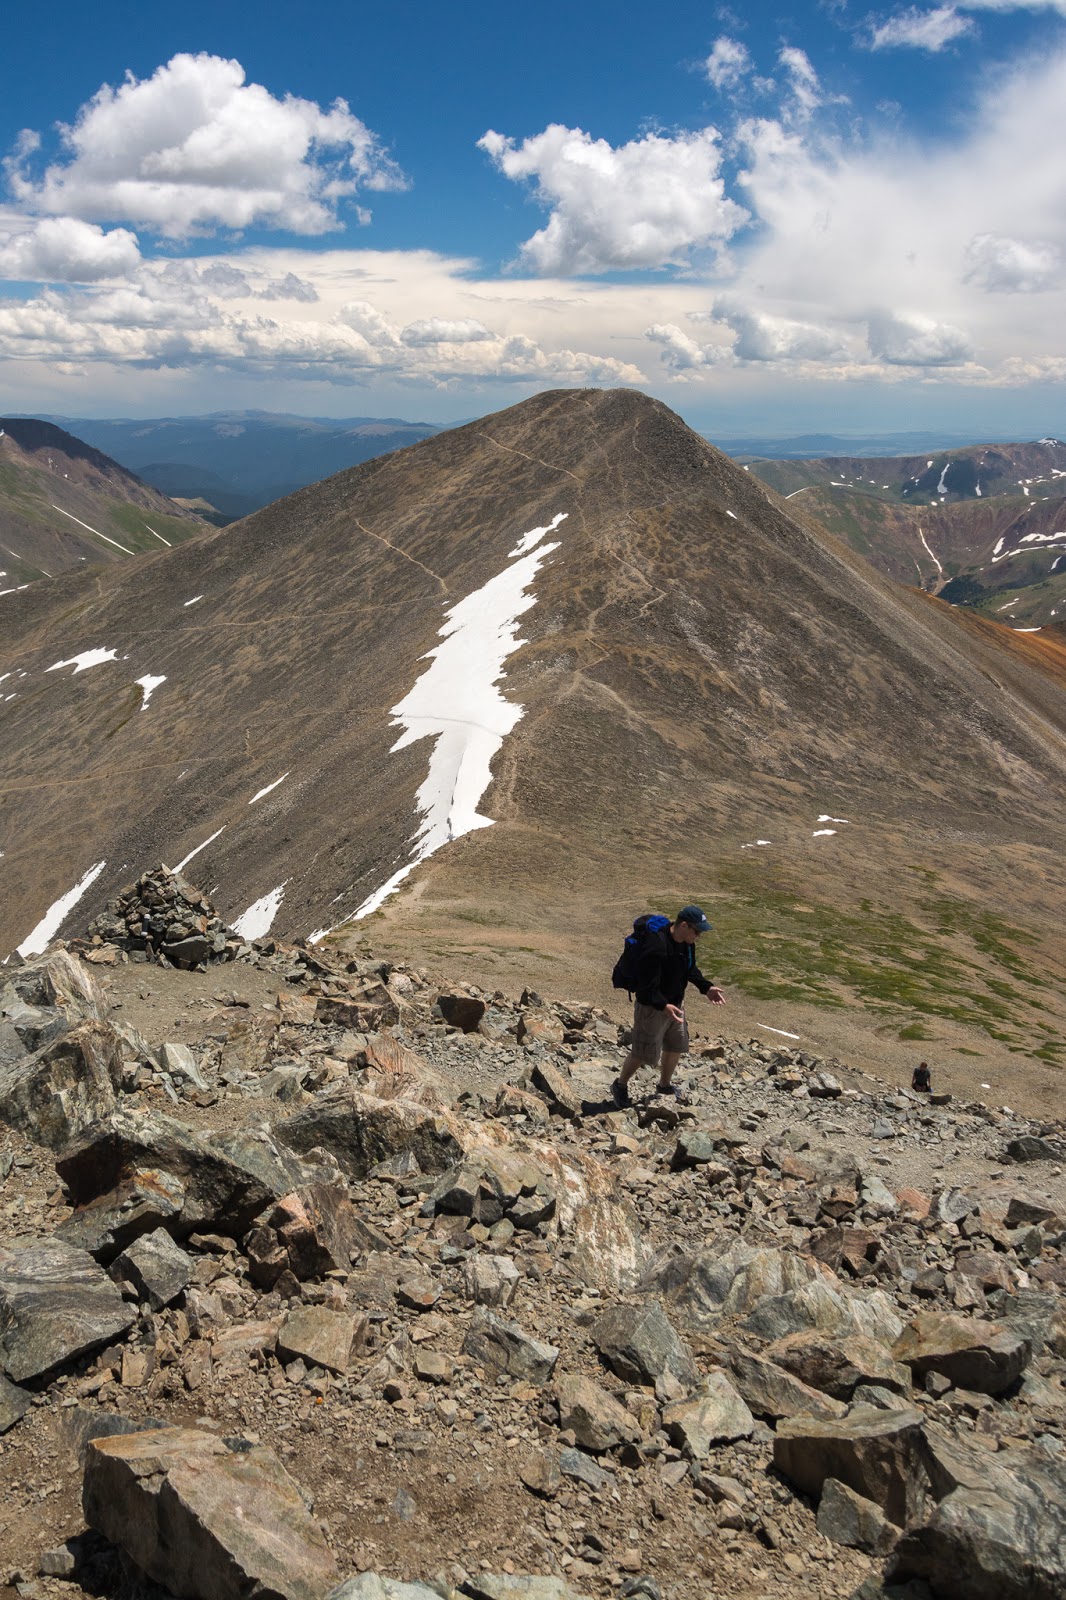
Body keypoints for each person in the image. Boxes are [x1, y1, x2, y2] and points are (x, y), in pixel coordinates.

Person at [612, 905, 725, 1106]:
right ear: (684, 925)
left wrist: (706, 988)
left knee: (676, 1045)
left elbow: (690, 969)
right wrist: (663, 1005)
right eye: (697, 931)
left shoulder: (686, 944)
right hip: (652, 1008)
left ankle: (664, 1085)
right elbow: (646, 986)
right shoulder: (656, 946)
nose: (698, 936)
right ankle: (620, 1085)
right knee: (642, 1052)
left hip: (675, 1005)